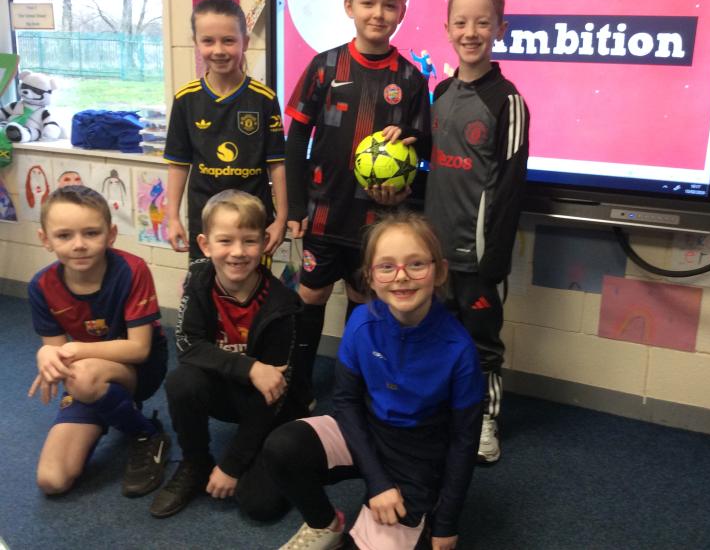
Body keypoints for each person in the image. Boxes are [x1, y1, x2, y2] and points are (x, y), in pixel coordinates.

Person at [248, 212, 483, 550]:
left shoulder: (459, 349)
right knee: (282, 449)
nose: (401, 277)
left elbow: (464, 441)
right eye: (387, 266)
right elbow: (346, 402)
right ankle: (327, 525)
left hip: (417, 455)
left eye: (416, 264)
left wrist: (447, 523)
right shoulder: (361, 323)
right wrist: (377, 482)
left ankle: (413, 515)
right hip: (365, 432)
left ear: (440, 271)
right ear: (370, 277)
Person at [284, 0, 431, 405]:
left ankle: (351, 390)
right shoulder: (325, 67)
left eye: (389, 5)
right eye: (368, 3)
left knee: (364, 301)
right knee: (310, 295)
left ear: (401, 12)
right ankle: (299, 387)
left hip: (376, 219)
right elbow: (296, 138)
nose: (378, 14)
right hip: (323, 211)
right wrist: (295, 208)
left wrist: (405, 176)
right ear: (349, 7)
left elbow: (424, 148)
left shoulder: (410, 78)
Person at [149, 190, 309, 518]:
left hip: (268, 403)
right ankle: (195, 463)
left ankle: (267, 457)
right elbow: (188, 345)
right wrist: (250, 368)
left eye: (249, 241)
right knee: (182, 382)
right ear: (206, 244)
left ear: (264, 243)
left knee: (260, 505)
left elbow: (273, 394)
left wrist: (232, 466)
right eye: (225, 241)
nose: (237, 252)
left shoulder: (283, 305)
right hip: (228, 386)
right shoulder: (198, 280)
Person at [424, 0, 530, 463]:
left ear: (500, 29)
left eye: (483, 23)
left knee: (481, 342)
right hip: (435, 252)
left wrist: (495, 259)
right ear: (447, 28)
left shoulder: (508, 101)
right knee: (438, 336)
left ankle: (486, 419)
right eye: (461, 22)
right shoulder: (442, 91)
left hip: (479, 255)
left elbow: (510, 187)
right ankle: (446, 411)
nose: (471, 32)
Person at [27, 185, 170, 497]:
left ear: (111, 234)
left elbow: (139, 349)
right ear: (45, 239)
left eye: (91, 233)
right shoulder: (41, 285)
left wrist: (73, 350)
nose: (79, 245)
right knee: (52, 480)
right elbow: (56, 351)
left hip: (141, 368)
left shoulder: (132, 270)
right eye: (64, 235)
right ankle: (109, 403)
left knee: (82, 376)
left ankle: (147, 434)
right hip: (85, 371)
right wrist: (46, 355)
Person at [164, 0, 288, 261]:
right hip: (205, 219)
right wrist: (172, 217)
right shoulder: (186, 99)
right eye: (208, 41)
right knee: (204, 282)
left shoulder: (264, 99)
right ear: (196, 43)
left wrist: (282, 219)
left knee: (253, 283)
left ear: (246, 42)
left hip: (254, 220)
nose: (218, 50)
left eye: (229, 40)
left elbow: (277, 164)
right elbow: (178, 164)